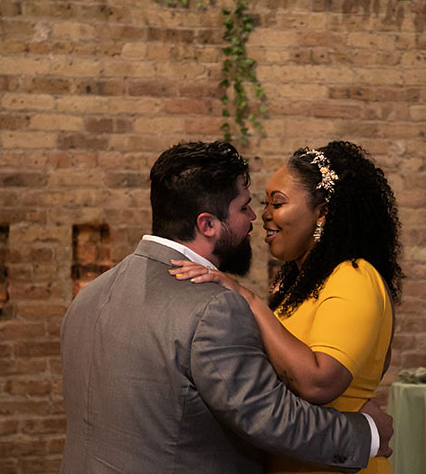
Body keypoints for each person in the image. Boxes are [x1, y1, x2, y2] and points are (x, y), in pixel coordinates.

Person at [60, 141, 393, 474]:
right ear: (207, 225)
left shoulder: (89, 297)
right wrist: (367, 434)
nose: (255, 217)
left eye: (271, 203)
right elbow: (269, 415)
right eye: (246, 206)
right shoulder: (212, 308)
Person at [172, 141, 403, 474]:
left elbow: (317, 383)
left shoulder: (353, 275)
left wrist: (248, 299)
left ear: (323, 211)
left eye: (277, 203)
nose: (264, 214)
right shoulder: (296, 283)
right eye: (264, 202)